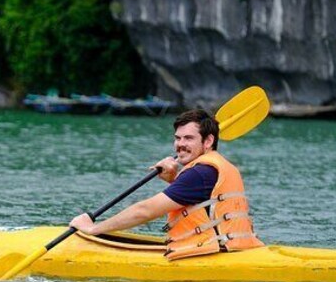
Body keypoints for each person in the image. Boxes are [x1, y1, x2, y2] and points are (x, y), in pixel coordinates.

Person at [69, 109, 263, 260]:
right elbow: (203, 206)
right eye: (177, 138)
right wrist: (175, 178)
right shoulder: (214, 167)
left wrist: (94, 229)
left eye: (189, 138)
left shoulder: (199, 173)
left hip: (210, 257)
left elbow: (144, 211)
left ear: (208, 141)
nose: (180, 144)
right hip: (237, 248)